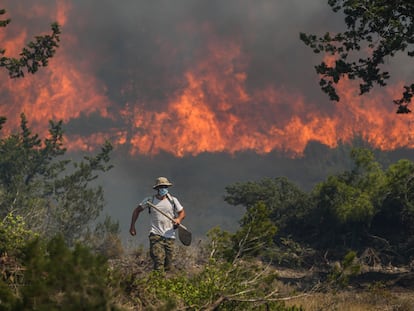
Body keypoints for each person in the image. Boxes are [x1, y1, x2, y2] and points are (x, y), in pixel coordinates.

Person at [129, 176, 186, 271]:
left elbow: (182, 212)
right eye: (161, 187)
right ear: (157, 189)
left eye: (165, 187)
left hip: (170, 236)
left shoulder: (173, 200)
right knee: (158, 260)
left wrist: (178, 219)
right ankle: (157, 280)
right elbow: (136, 211)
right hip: (156, 235)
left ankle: (164, 283)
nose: (164, 189)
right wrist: (132, 227)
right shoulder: (150, 200)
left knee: (168, 265)